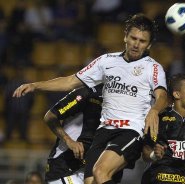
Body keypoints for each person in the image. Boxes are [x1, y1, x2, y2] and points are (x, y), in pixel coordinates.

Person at [13, 13, 168, 184]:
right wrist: (36, 85)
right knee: (90, 181)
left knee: (101, 172)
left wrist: (154, 110)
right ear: (125, 36)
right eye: (133, 38)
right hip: (104, 130)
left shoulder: (153, 67)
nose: (136, 44)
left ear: (149, 45)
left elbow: (162, 95)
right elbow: (71, 81)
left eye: (142, 41)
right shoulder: (106, 61)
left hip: (131, 130)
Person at [44, 84, 123, 183]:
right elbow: (50, 116)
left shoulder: (125, 102)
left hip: (96, 171)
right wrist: (69, 141)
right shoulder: (87, 93)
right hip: (66, 168)